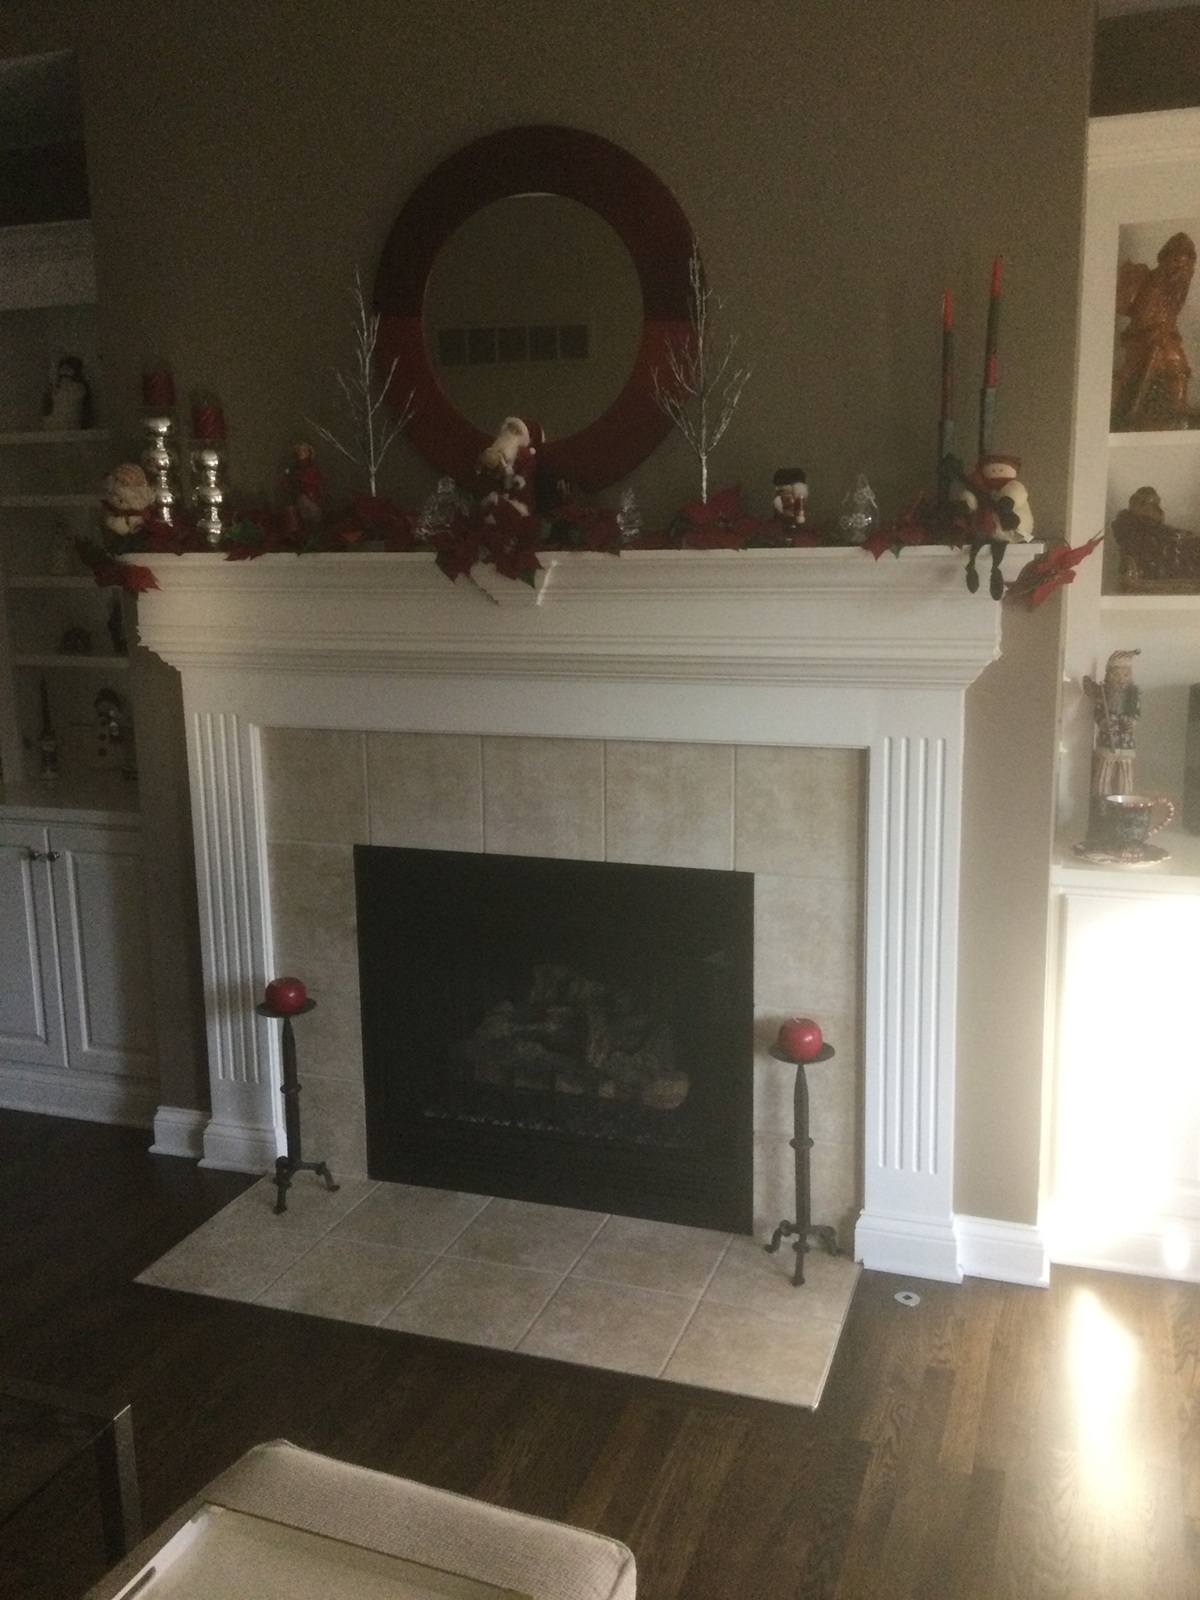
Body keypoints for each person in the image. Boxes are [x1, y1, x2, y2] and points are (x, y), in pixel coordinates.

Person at [1111, 231, 1197, 429]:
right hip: (1144, 337)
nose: (1182, 269)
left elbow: (1170, 314)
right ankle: (1113, 407)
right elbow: (1144, 315)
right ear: (1167, 259)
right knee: (1128, 372)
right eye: (1178, 262)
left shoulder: (1175, 288)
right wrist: (1154, 331)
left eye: (1187, 265)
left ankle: (1178, 405)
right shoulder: (1154, 281)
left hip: (1165, 337)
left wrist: (1166, 331)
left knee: (1178, 366)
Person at [1082, 649, 1141, 847]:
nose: (1122, 679)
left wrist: (1129, 723)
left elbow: (1135, 716)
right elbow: (1099, 715)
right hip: (1107, 746)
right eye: (1117, 674)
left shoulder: (1133, 696)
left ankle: (1123, 821)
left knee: (1125, 783)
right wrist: (1105, 723)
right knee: (1101, 782)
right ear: (1109, 675)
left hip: (1126, 747)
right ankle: (1100, 821)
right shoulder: (1103, 696)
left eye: (1126, 674)